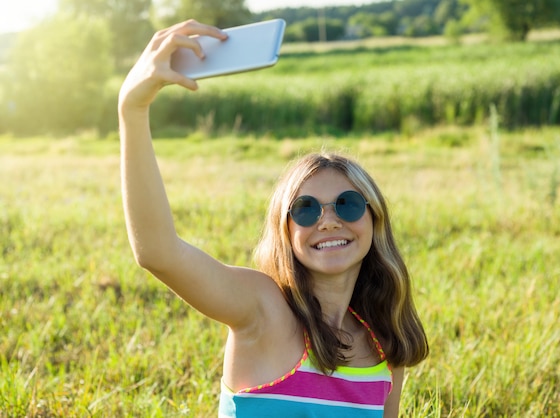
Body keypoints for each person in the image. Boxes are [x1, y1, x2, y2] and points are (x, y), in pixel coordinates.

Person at [118, 19, 429, 418]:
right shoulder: (262, 309)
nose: (329, 221)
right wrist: (133, 108)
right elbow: (158, 252)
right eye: (306, 209)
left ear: (374, 219)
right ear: (285, 230)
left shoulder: (384, 345)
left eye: (347, 204)